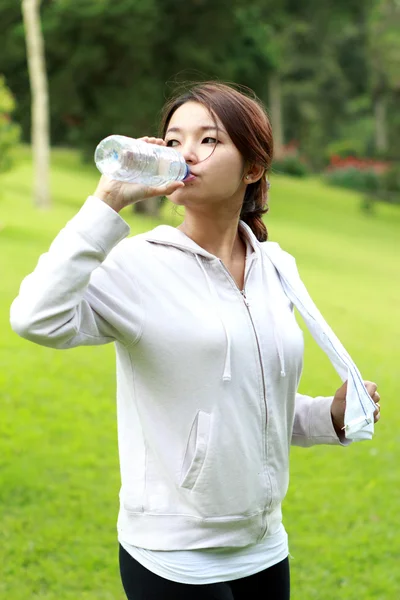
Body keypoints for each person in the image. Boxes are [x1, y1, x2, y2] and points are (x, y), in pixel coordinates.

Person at [10, 81, 381, 600]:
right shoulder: (136, 265)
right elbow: (35, 318)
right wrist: (106, 203)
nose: (186, 152)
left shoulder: (276, 267)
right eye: (174, 138)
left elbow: (251, 401)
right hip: (171, 553)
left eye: (208, 140)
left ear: (253, 168)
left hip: (263, 544)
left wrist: (330, 418)